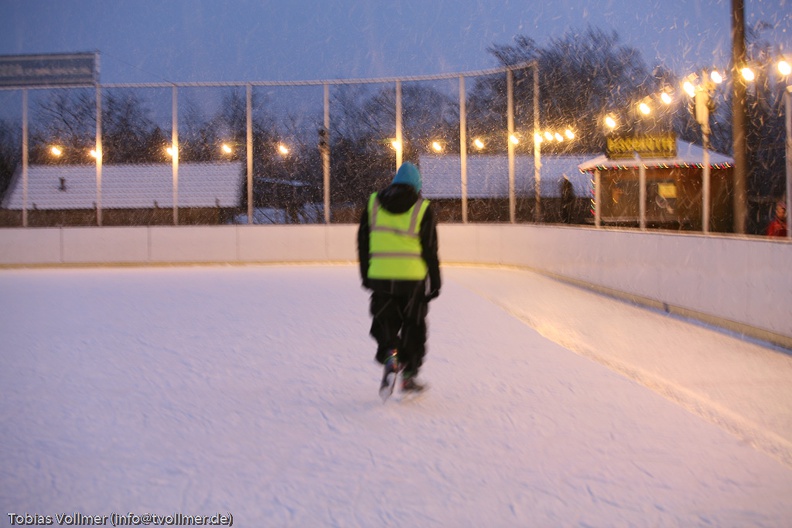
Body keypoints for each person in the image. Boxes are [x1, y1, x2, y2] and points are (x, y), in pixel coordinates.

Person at [357, 162, 441, 397]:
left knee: (386, 322)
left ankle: (391, 355)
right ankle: (408, 375)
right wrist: (435, 280)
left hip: (381, 278)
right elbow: (430, 249)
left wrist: (366, 273)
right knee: (414, 327)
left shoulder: (373, 203)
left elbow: (363, 243)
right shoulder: (422, 208)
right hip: (412, 280)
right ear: (417, 185)